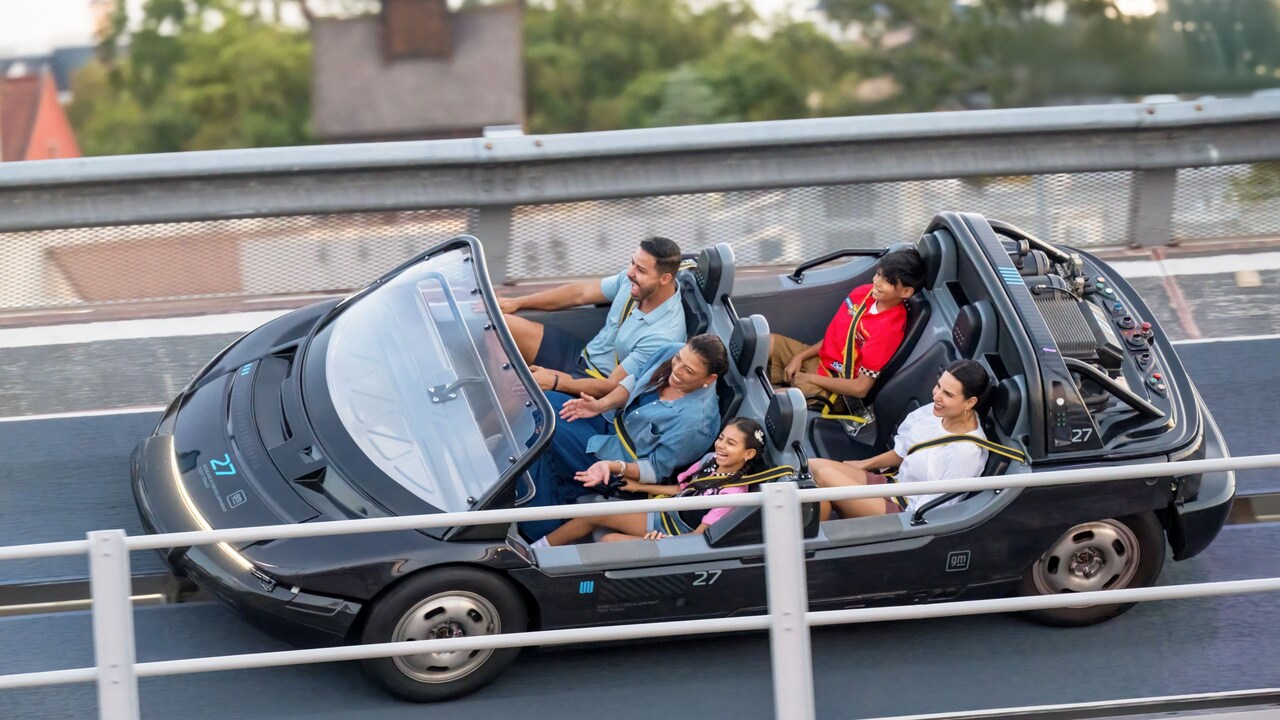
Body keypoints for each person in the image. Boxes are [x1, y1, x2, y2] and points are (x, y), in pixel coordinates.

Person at [519, 334, 728, 539]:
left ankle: (539, 527)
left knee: (543, 433)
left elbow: (655, 470)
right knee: (541, 403)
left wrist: (615, 466)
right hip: (609, 421)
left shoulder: (698, 424)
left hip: (618, 460)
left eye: (688, 371)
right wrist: (599, 405)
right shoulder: (673, 351)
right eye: (679, 360)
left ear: (709, 379)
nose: (677, 369)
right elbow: (634, 382)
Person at [532, 418, 769, 547]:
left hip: (674, 533)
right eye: (721, 439)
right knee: (595, 512)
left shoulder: (733, 495)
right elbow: (681, 490)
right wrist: (640, 487)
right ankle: (538, 550)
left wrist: (665, 541)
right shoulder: (710, 460)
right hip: (665, 511)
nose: (720, 446)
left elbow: (698, 537)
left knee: (609, 541)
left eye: (731, 444)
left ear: (748, 454)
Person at [499, 237, 686, 399]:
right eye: (632, 263)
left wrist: (557, 382)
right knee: (500, 326)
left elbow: (613, 386)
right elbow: (580, 293)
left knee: (515, 397)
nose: (630, 272)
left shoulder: (663, 336)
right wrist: (518, 303)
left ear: (664, 279)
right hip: (580, 354)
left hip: (594, 384)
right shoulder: (632, 281)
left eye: (641, 270)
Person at [808, 359, 992, 520]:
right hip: (894, 486)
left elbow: (936, 513)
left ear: (970, 402)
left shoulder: (966, 453)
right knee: (811, 466)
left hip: (905, 512)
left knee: (825, 477)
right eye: (938, 386)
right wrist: (864, 464)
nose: (936, 395)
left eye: (948, 394)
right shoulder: (937, 412)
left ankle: (814, 549)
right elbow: (903, 451)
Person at [768, 248, 925, 413]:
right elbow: (837, 339)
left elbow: (860, 388)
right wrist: (799, 357)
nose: (877, 282)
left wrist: (811, 378)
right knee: (766, 342)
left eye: (887, 281)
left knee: (777, 399)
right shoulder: (862, 294)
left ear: (906, 292)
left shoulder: (888, 331)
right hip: (821, 360)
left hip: (838, 387)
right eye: (878, 274)